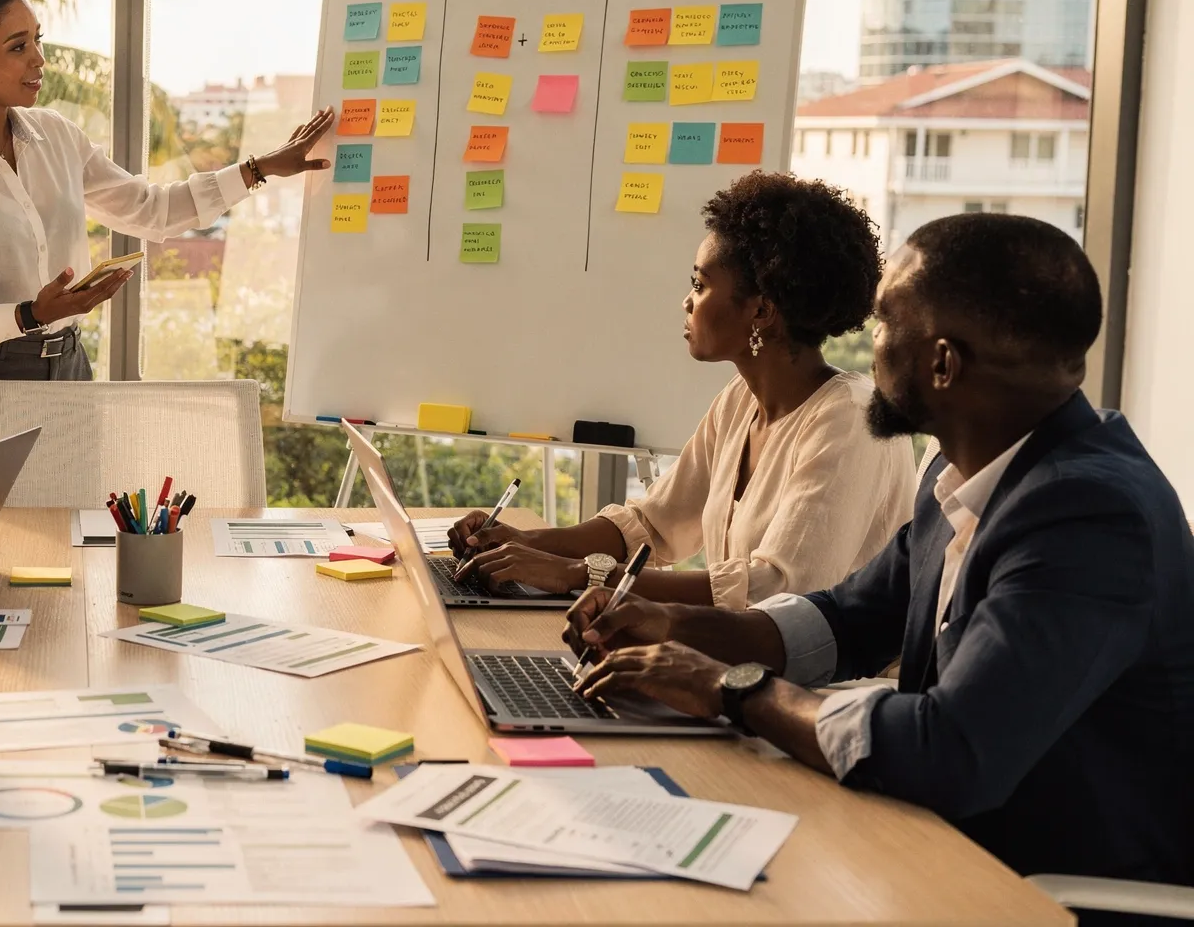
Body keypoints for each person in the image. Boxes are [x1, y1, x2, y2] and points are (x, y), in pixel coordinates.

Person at [568, 213, 1194, 904]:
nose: (871, 346)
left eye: (888, 324)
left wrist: (732, 688)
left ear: (943, 363)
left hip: (1042, 892)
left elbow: (951, 749)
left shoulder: (1088, 517)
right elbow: (845, 621)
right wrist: (668, 628)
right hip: (939, 844)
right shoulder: (959, 472)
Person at [0, 0, 338, 503]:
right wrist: (25, 315)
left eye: (38, 41)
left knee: (68, 546)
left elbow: (150, 209)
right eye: (18, 47)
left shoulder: (57, 138)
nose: (39, 60)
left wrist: (258, 169)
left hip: (66, 371)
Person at [448, 171, 916, 608]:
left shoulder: (852, 420)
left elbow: (779, 590)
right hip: (731, 658)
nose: (687, 301)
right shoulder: (741, 402)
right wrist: (522, 542)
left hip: (826, 687)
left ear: (762, 311)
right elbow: (653, 525)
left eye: (700, 283)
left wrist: (578, 575)